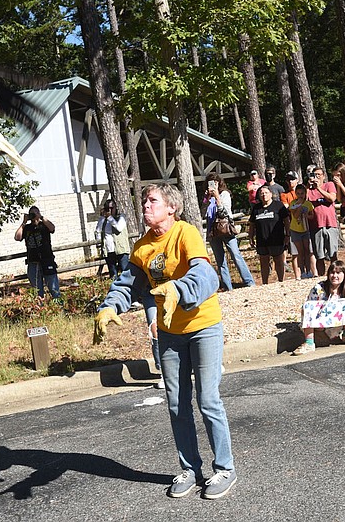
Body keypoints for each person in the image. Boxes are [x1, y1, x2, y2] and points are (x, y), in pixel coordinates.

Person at [92, 183, 237, 500]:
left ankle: (224, 469)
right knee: (177, 403)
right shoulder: (142, 247)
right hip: (170, 333)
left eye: (152, 200)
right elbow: (126, 285)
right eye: (143, 201)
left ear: (172, 207)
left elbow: (206, 276)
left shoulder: (186, 233)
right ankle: (190, 469)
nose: (145, 205)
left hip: (203, 326)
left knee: (208, 400)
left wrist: (177, 290)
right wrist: (107, 308)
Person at [293, 260, 345, 356]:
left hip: (338, 323)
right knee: (308, 306)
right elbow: (309, 308)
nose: (334, 276)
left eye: (338, 273)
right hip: (319, 323)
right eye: (332, 272)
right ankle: (309, 343)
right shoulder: (319, 288)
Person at [204, 173, 255, 291]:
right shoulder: (207, 198)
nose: (212, 185)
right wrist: (207, 200)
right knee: (220, 260)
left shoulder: (224, 194)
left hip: (226, 229)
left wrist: (217, 197)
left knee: (236, 255)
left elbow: (224, 213)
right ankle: (228, 287)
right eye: (210, 183)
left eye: (215, 182)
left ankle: (249, 282)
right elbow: (203, 214)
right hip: (213, 231)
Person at [14, 205, 60, 299]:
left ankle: (60, 309)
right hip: (33, 263)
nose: (34, 216)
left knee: (54, 288)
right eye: (32, 214)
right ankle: (41, 310)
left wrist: (41, 217)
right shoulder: (26, 228)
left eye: (35, 213)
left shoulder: (44, 225)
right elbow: (17, 237)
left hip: (47, 260)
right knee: (37, 292)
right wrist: (24, 222)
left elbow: (52, 228)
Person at [249, 184, 290, 284]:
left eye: (266, 193)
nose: (264, 195)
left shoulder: (279, 205)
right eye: (261, 193)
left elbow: (286, 220)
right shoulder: (256, 208)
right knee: (264, 262)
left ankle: (281, 281)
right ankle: (265, 283)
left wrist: (287, 234)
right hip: (261, 239)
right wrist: (250, 237)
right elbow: (252, 224)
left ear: (271, 194)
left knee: (279, 261)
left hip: (276, 238)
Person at [306, 165, 339, 277]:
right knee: (319, 255)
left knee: (333, 253)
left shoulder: (329, 185)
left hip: (330, 224)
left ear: (323, 176)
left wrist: (319, 188)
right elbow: (303, 202)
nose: (317, 177)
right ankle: (321, 277)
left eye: (319, 175)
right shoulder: (308, 190)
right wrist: (309, 186)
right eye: (314, 175)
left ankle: (335, 275)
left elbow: (332, 198)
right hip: (315, 225)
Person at [95, 200, 129, 280]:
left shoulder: (121, 217)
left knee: (125, 271)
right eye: (108, 208)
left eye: (112, 208)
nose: (110, 210)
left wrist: (110, 217)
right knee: (113, 274)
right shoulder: (102, 219)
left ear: (115, 208)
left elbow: (119, 228)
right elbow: (98, 232)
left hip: (121, 248)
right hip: (109, 249)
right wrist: (100, 246)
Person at [288, 184, 315, 280]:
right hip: (295, 229)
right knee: (300, 252)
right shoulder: (293, 204)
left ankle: (309, 271)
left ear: (305, 193)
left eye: (302, 193)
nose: (300, 195)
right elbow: (295, 215)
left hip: (305, 229)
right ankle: (302, 272)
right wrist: (299, 205)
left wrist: (307, 216)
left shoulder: (308, 204)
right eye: (298, 193)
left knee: (307, 250)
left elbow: (312, 215)